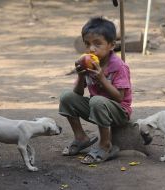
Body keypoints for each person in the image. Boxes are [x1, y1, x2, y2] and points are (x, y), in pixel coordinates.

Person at [59, 16, 132, 164]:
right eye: (88, 44)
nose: (91, 49)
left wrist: (102, 79)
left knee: (97, 101)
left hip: (119, 111)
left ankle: (105, 145)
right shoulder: (89, 63)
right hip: (97, 107)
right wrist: (81, 76)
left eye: (97, 44)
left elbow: (120, 98)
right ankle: (81, 137)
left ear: (111, 45)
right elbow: (78, 94)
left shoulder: (118, 66)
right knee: (66, 97)